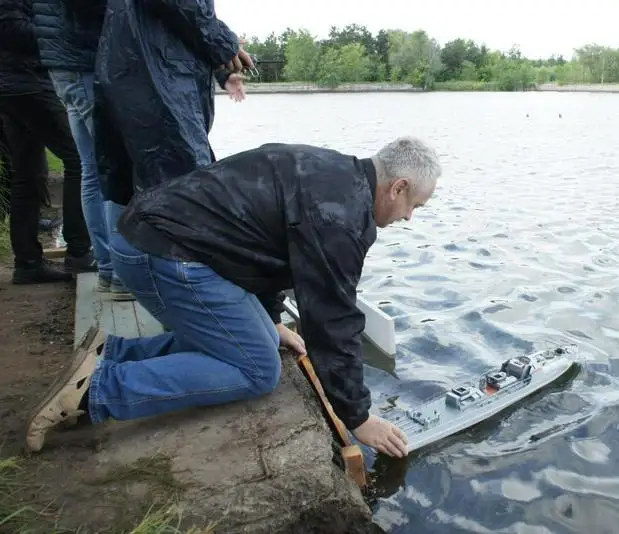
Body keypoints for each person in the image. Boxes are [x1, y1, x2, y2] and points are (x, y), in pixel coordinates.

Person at [25, 136, 442, 458]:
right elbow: (332, 320)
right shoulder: (341, 217)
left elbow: (265, 249)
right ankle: (97, 390)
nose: (409, 218)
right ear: (398, 187)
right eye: (415, 206)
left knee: (259, 335)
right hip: (163, 253)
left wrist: (272, 317)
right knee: (258, 369)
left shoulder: (329, 170)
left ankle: (112, 352)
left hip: (153, 235)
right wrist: (359, 416)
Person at [92, 0, 251, 208]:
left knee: (140, 187)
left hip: (139, 70)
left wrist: (222, 69)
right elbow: (183, 7)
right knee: (184, 193)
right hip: (159, 79)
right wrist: (223, 42)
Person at [30, 0, 133, 299]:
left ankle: (107, 268)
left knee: (92, 168)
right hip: (83, 61)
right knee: (115, 167)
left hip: (64, 63)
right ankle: (120, 275)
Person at [0, 0, 97, 284]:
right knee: (79, 158)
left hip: (16, 84)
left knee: (28, 174)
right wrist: (59, 34)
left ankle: (28, 262)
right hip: (26, 83)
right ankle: (79, 252)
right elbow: (10, 29)